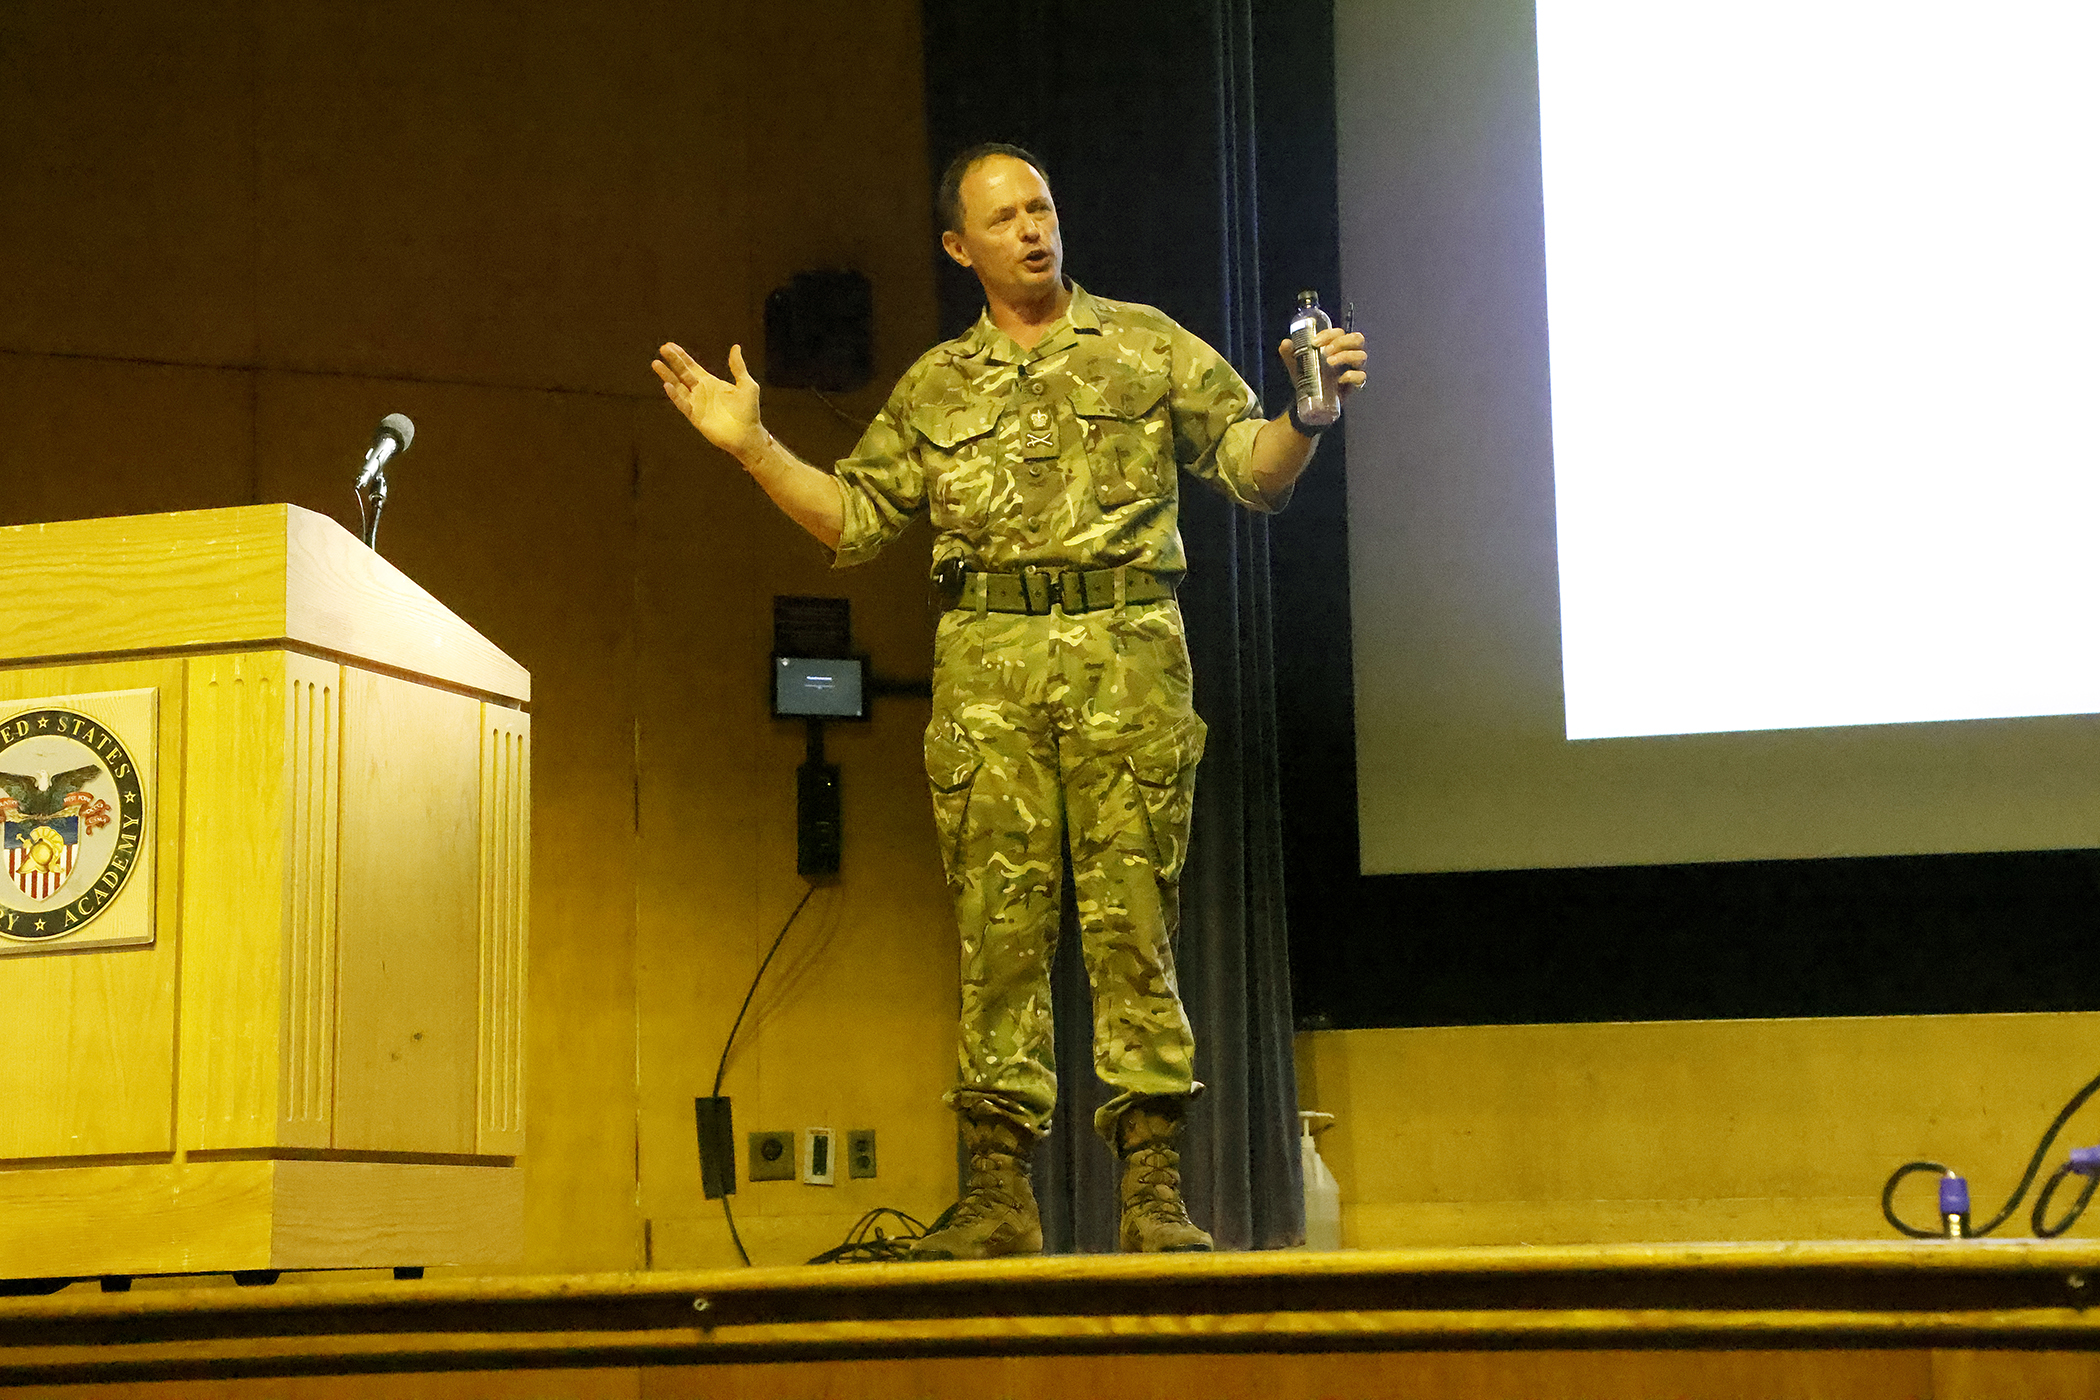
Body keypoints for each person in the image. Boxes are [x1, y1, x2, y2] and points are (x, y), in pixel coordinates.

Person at [654, 143, 1366, 1259]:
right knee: (1000, 936)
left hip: (1129, 656)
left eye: (1041, 206)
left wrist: (1309, 417)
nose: (1032, 229)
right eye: (1004, 216)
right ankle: (998, 1193)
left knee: (1138, 929)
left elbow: (1251, 470)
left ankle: (1152, 1191)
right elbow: (856, 518)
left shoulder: (1145, 343)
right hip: (988, 669)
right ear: (958, 246)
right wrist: (752, 447)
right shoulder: (938, 384)